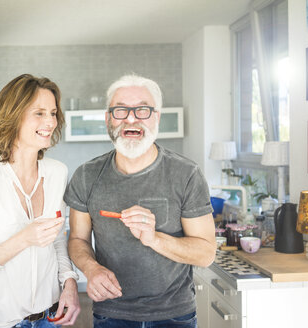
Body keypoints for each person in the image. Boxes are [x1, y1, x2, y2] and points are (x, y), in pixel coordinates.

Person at [64, 74, 216, 328]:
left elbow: (206, 253)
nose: (131, 118)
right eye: (120, 110)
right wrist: (91, 269)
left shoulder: (186, 174)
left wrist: (154, 238)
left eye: (142, 110)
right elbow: (77, 240)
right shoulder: (86, 175)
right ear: (107, 118)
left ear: (156, 117)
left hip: (175, 315)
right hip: (111, 313)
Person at [0, 74, 80, 328]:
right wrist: (23, 239)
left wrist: (69, 282)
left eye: (53, 113)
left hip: (50, 317)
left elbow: (56, 239)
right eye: (39, 113)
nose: (51, 122)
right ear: (13, 116)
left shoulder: (57, 173)